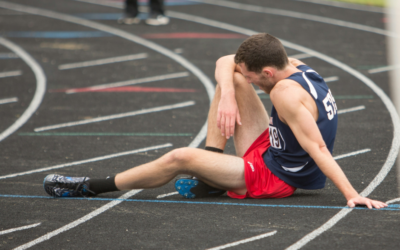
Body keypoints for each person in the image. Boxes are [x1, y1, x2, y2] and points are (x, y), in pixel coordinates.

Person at [43, 33, 387, 209]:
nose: (251, 82)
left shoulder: (285, 94)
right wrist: (226, 92)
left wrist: (352, 194)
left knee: (180, 158)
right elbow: (227, 60)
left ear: (268, 72)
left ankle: (90, 185)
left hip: (275, 177)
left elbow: (319, 149)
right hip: (273, 150)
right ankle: (214, 171)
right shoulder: (296, 66)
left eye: (255, 78)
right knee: (231, 82)